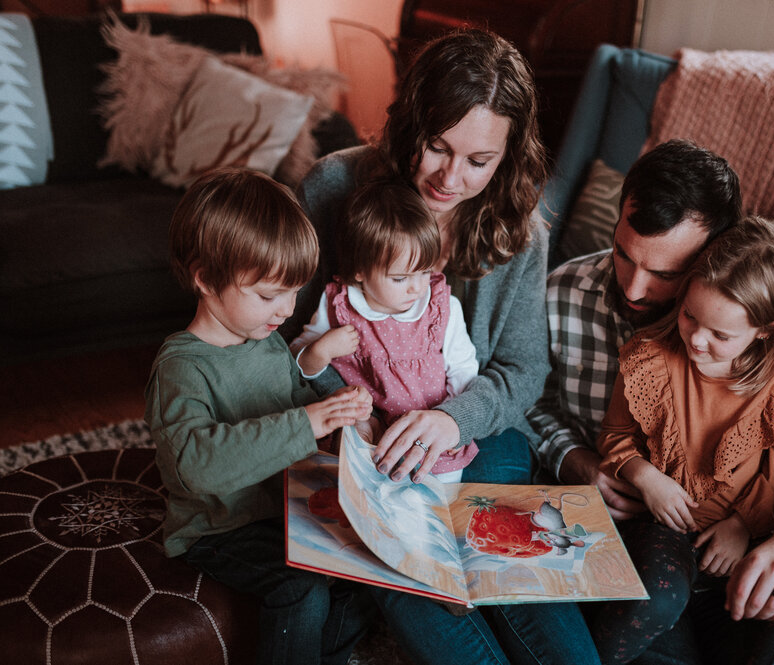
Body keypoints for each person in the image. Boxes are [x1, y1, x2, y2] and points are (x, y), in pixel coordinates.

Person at [290, 28, 601, 665]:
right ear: (411, 125)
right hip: (362, 440)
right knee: (409, 558)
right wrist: (354, 414)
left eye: (479, 161)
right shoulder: (332, 188)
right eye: (437, 147)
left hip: (481, 434)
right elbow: (283, 343)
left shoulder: (520, 229)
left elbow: (522, 369)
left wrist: (448, 419)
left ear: (508, 156)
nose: (451, 178)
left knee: (512, 563)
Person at [528, 139, 774, 664]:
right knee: (657, 613)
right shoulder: (562, 296)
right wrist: (576, 460)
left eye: (667, 274)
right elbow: (525, 403)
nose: (636, 288)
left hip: (749, 535)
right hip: (642, 540)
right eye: (623, 253)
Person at [144, 168, 375, 665]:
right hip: (218, 526)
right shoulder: (182, 367)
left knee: (364, 575)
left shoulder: (266, 341)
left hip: (283, 510)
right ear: (205, 278)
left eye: (294, 292)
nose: (286, 310)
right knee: (301, 587)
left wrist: (338, 421)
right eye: (269, 295)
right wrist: (306, 423)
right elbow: (195, 468)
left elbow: (291, 405)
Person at [591, 216, 774, 663]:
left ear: (767, 329)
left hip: (747, 535)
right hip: (662, 527)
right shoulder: (651, 359)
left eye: (720, 335)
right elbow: (616, 436)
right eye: (689, 316)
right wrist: (647, 478)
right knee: (655, 598)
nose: (697, 340)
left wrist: (743, 526)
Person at [293, 177, 480, 483]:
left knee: (433, 505)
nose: (417, 287)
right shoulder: (338, 306)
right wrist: (321, 350)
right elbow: (299, 365)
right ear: (360, 272)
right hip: (369, 431)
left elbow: (463, 369)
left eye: (424, 271)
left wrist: (451, 421)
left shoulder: (441, 308)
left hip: (428, 435)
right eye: (399, 278)